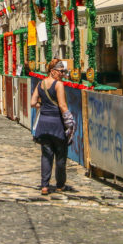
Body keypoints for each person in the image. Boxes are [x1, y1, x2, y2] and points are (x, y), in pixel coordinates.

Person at [30, 59, 74, 195]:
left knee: (46, 155)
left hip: (44, 123)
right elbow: (62, 105)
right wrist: (70, 119)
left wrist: (43, 107)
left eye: (63, 71)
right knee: (61, 155)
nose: (63, 74)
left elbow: (32, 103)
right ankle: (60, 185)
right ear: (53, 71)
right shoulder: (58, 85)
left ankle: (44, 186)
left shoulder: (40, 84)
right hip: (57, 124)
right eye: (61, 71)